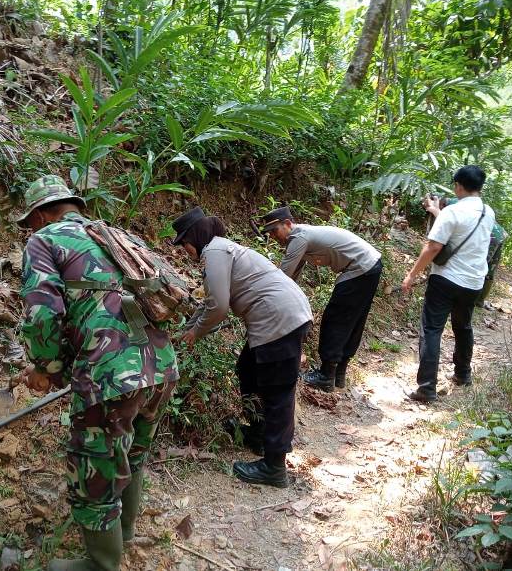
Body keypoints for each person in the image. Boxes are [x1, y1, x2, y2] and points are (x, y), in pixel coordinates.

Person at [17, 175, 179, 571]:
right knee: (133, 454)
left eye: (31, 221)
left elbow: (42, 314)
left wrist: (46, 367)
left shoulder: (44, 239)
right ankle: (121, 537)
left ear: (40, 215)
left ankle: (101, 563)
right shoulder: (117, 235)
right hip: (161, 366)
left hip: (109, 374)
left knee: (95, 468)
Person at [173, 207, 312, 488]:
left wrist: (193, 334)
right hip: (280, 316)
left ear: (195, 237)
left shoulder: (214, 252)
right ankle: (259, 434)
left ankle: (274, 466)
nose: (184, 251)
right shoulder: (222, 249)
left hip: (279, 320)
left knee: (277, 391)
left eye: (183, 244)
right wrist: (189, 326)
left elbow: (219, 307)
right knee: (248, 368)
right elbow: (211, 301)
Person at [260, 207, 382, 392]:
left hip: (360, 266)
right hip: (370, 264)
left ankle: (326, 375)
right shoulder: (303, 236)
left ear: (287, 224)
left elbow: (281, 277)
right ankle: (338, 373)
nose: (273, 237)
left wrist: (263, 300)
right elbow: (291, 277)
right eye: (269, 233)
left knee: (335, 319)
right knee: (353, 320)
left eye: (275, 230)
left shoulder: (298, 238)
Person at [402, 165, 495, 403]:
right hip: (474, 282)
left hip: (446, 279)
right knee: (463, 327)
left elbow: (434, 246)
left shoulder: (453, 212)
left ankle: (426, 388)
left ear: (458, 185)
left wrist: (412, 275)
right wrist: (436, 211)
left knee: (432, 329)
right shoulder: (488, 212)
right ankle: (463, 374)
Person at [431, 197, 508, 309]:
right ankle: (479, 300)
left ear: (441, 203)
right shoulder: (461, 203)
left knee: (480, 265)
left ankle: (473, 298)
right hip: (499, 234)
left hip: (491, 236)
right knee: (490, 269)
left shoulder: (452, 206)